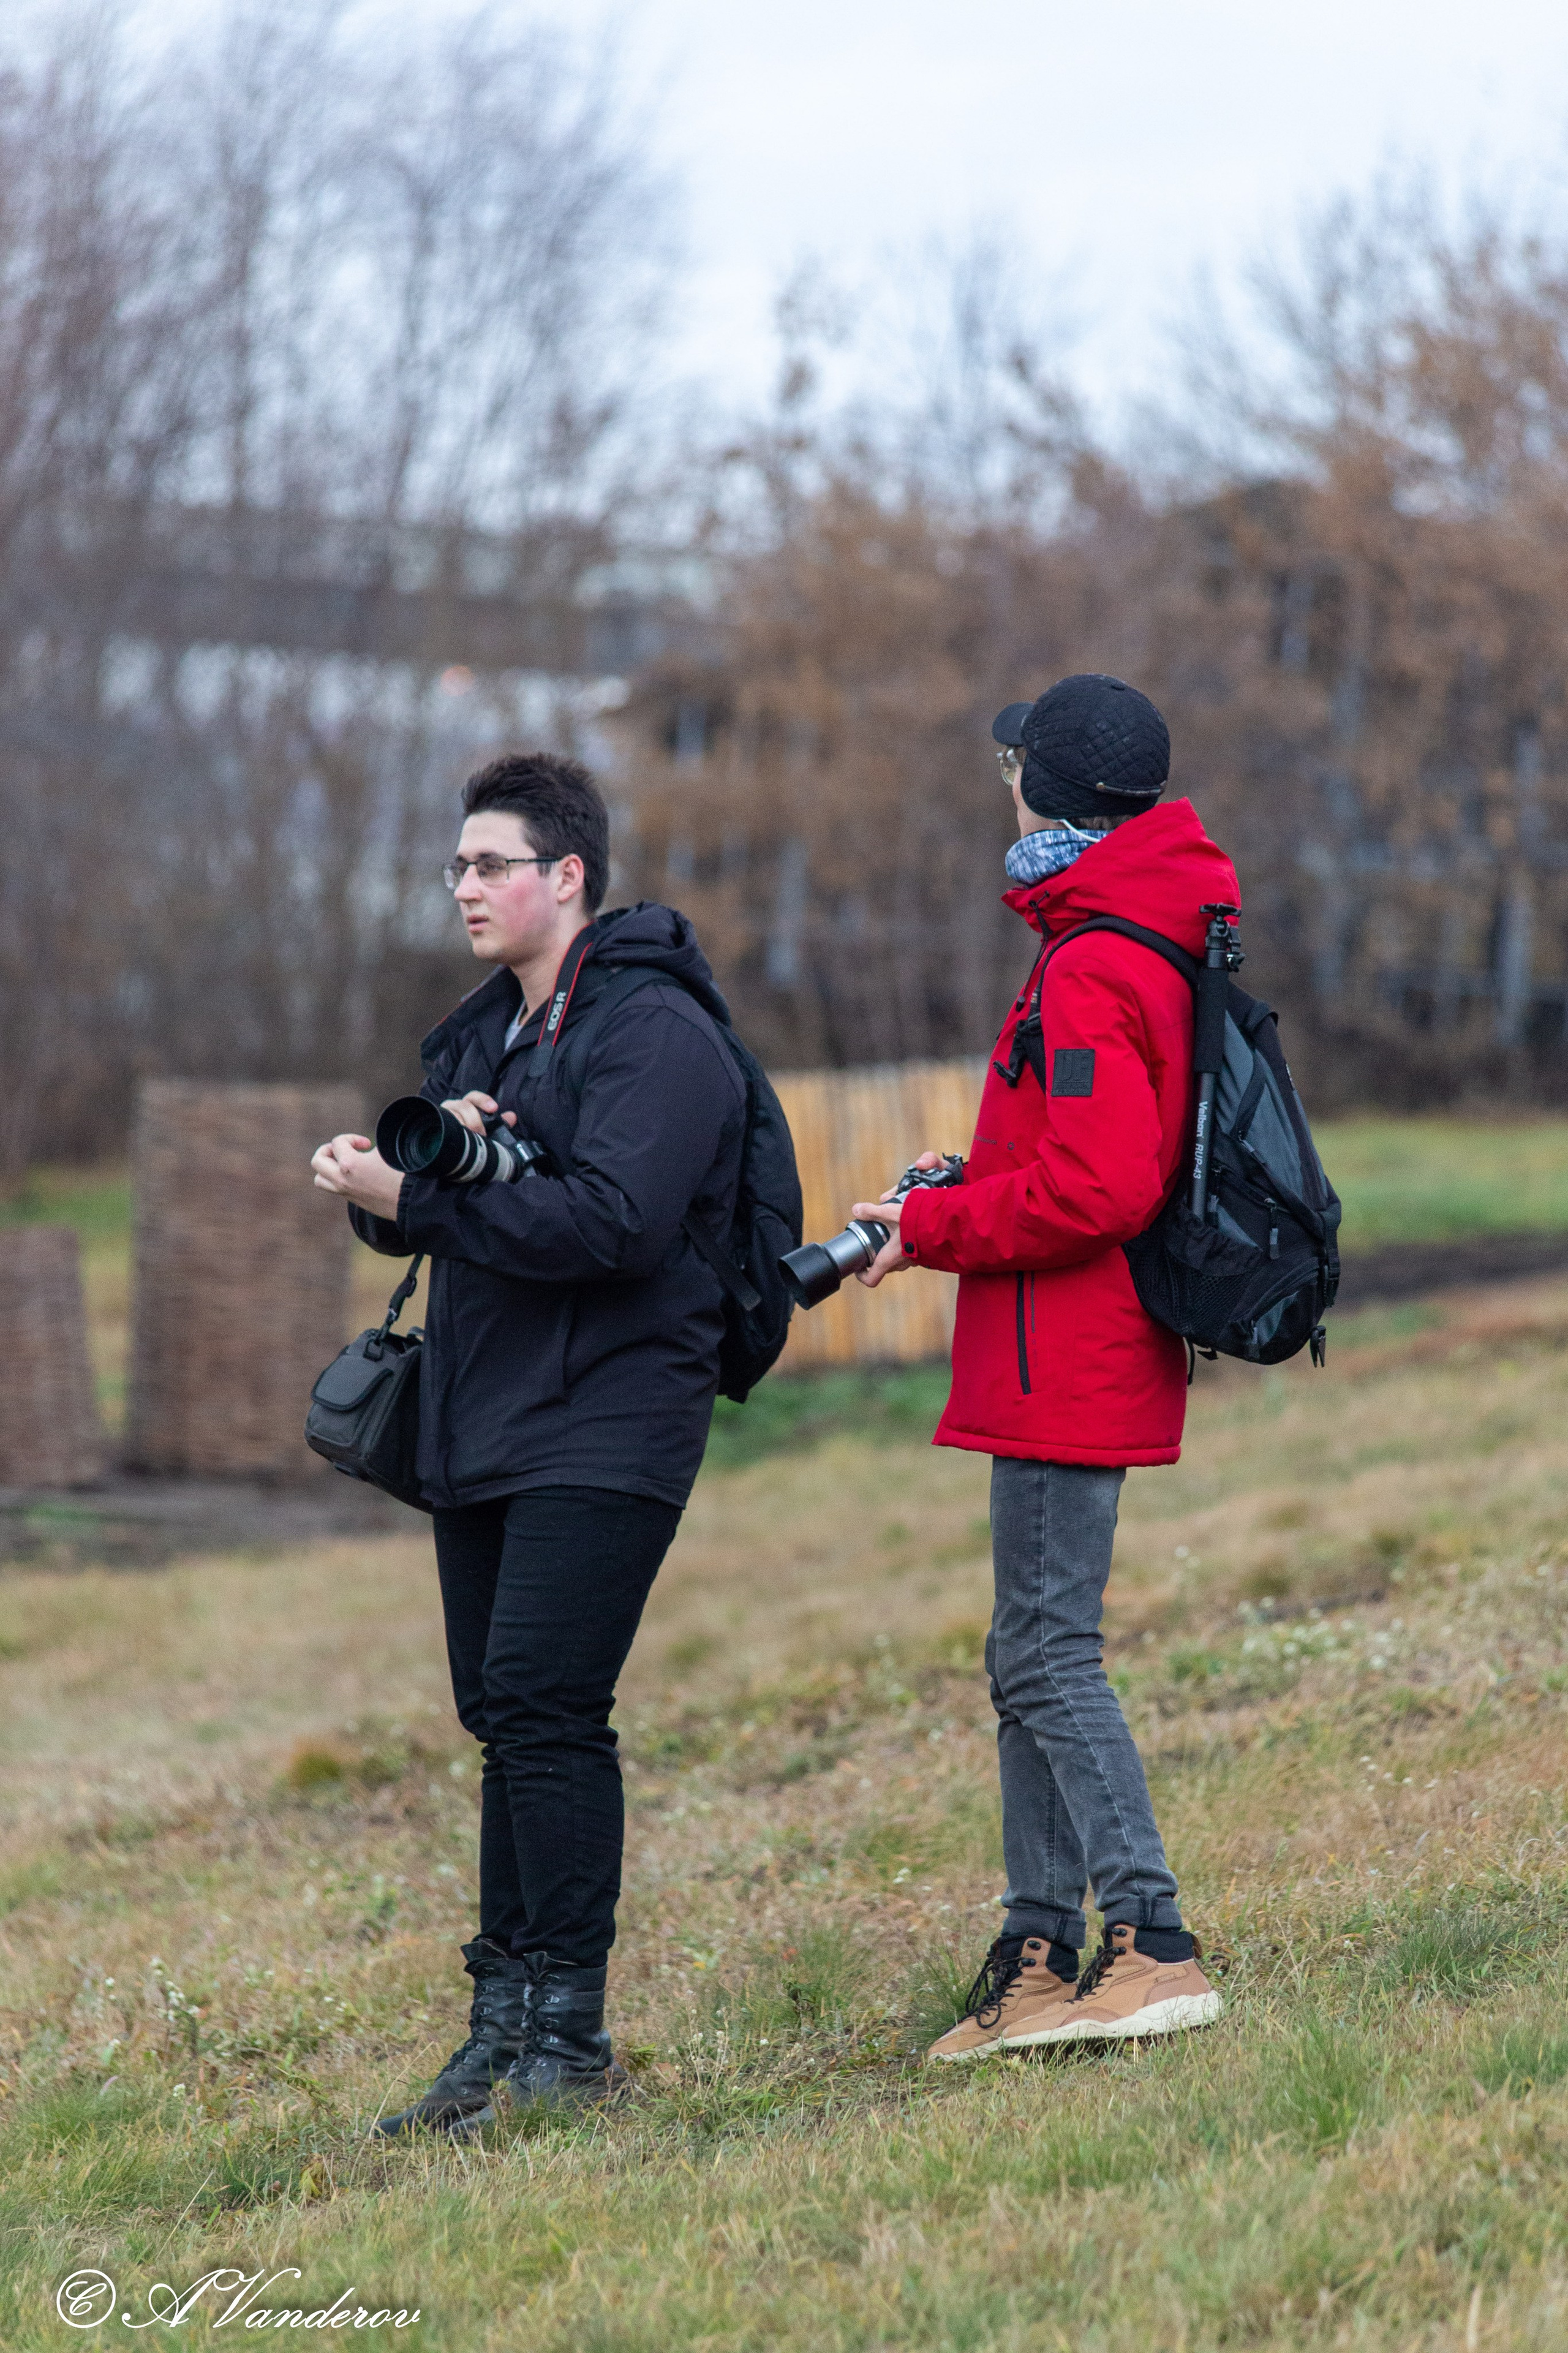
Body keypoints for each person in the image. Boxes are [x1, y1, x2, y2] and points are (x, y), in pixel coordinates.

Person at [310, 751, 747, 2134]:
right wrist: (386, 1191)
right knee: (500, 1718)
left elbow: (614, 1226)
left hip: (615, 1408)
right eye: (454, 867)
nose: (465, 889)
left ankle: (571, 2040)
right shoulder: (479, 1036)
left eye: (490, 864)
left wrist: (428, 1205)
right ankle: (495, 2031)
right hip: (485, 1408)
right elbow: (473, 1214)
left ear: (568, 875)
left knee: (549, 1707)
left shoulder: (654, 1033)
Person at [851, 674, 1232, 2061]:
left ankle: (1151, 1936)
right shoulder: (1122, 929)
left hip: (1070, 1344)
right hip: (1056, 1344)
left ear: (1045, 793)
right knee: (1027, 1649)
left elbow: (1098, 1189)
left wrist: (939, 1224)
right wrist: (968, 1181)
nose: (998, 786)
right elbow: (1079, 1161)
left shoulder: (1094, 958)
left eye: (1009, 767)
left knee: (1045, 1650)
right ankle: (1034, 1950)